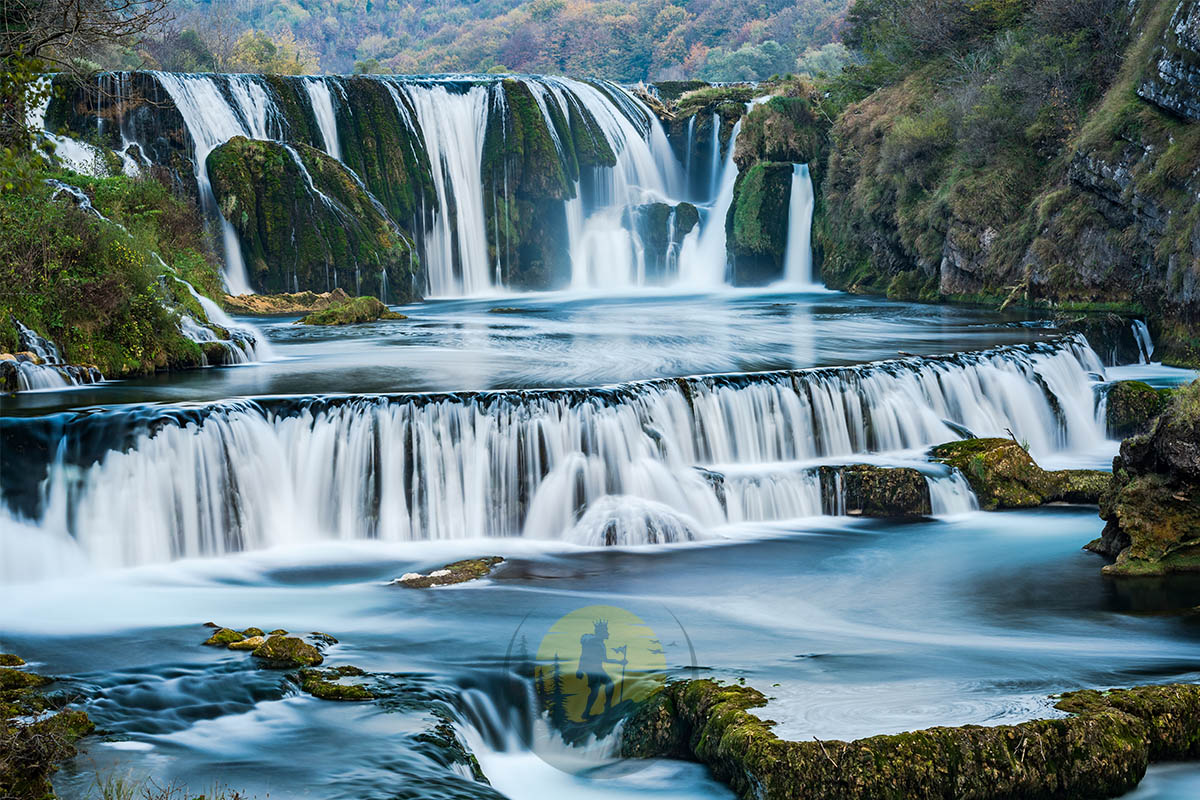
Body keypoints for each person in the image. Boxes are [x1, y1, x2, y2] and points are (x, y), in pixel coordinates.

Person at [575, 620, 626, 718]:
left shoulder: (600, 643)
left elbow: (604, 659)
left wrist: (619, 662)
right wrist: (579, 669)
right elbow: (583, 656)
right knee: (595, 690)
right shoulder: (592, 642)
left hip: (598, 669)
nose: (608, 633)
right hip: (592, 670)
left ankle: (607, 708)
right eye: (605, 630)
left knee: (609, 684)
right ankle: (586, 713)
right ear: (600, 632)